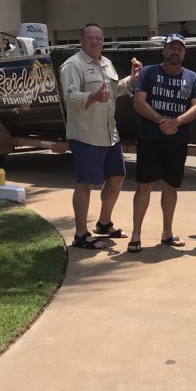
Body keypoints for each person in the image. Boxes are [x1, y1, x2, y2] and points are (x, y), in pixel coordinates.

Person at [60, 23, 138, 249]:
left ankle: (104, 223)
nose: (95, 41)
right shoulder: (72, 65)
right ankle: (81, 234)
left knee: (117, 177)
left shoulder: (107, 63)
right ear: (82, 41)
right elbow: (70, 96)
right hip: (86, 135)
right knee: (86, 184)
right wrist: (93, 96)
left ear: (103, 41)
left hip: (109, 134)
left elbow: (114, 92)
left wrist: (130, 81)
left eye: (98, 38)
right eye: (90, 38)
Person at [128, 34, 196, 253]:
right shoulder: (149, 72)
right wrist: (162, 121)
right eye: (171, 48)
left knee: (171, 187)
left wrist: (176, 122)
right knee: (144, 186)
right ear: (164, 50)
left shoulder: (192, 77)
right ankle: (136, 235)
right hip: (150, 139)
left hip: (177, 141)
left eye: (179, 49)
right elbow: (138, 102)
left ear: (184, 53)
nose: (175, 52)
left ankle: (167, 233)